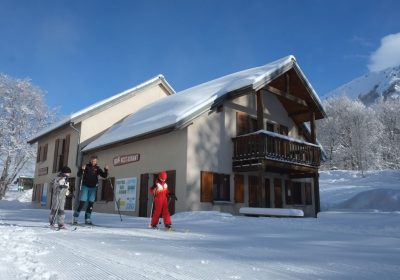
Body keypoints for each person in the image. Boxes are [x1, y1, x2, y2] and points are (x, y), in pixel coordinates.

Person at [73, 155, 108, 225]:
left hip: (93, 188)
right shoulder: (86, 166)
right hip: (85, 187)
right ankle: (75, 218)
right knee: (82, 203)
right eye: (92, 160)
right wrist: (82, 169)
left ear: (96, 161)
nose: (93, 162)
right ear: (90, 160)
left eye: (94, 161)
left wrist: (106, 170)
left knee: (90, 204)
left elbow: (104, 176)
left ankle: (87, 219)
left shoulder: (97, 168)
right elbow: (79, 175)